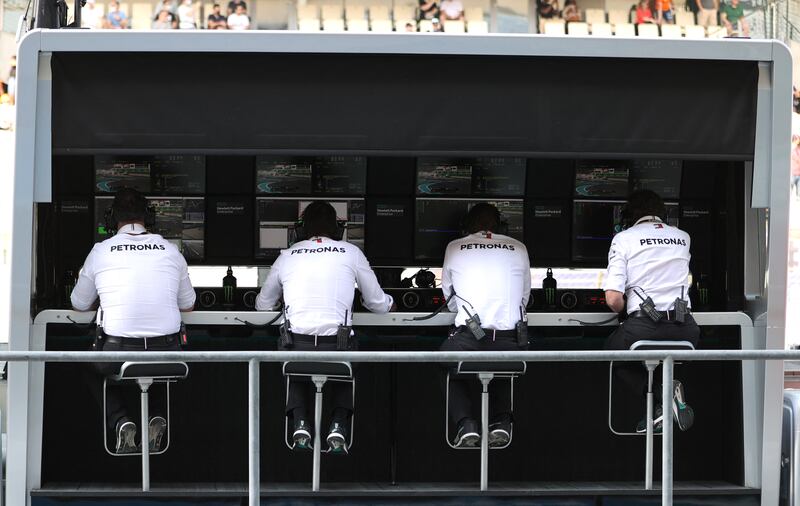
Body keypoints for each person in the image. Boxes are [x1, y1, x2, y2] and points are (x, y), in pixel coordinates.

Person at [255, 201, 394, 452]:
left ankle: (300, 421)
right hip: (339, 349)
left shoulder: (287, 255)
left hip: (297, 348)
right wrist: (390, 304)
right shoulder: (351, 253)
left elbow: (263, 305)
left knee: (295, 360)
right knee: (344, 363)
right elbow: (378, 304)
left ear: (300, 230)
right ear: (338, 229)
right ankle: (338, 424)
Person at [71, 188, 195, 454]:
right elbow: (188, 304)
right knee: (160, 370)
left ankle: (121, 420)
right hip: (168, 352)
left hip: (117, 351)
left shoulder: (100, 251)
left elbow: (78, 303)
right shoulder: (170, 250)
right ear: (149, 218)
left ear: (110, 218)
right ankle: (156, 416)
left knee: (87, 366)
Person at [603, 190, 699, 433]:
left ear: (629, 216)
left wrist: (626, 310)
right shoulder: (683, 237)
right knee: (660, 363)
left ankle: (663, 395)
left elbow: (613, 299)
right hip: (686, 331)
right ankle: (660, 410)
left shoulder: (624, 238)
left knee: (614, 357)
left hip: (644, 328)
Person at [439, 203, 531, 448]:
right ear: (501, 226)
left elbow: (450, 302)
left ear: (466, 228)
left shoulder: (454, 247)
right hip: (512, 345)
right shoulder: (519, 247)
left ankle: (466, 423)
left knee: (443, 360)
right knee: (500, 365)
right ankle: (501, 422)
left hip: (471, 341)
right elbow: (524, 299)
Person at [792, 135, 800, 199]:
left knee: (798, 192)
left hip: (798, 173)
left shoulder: (797, 149)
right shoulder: (792, 150)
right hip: (793, 173)